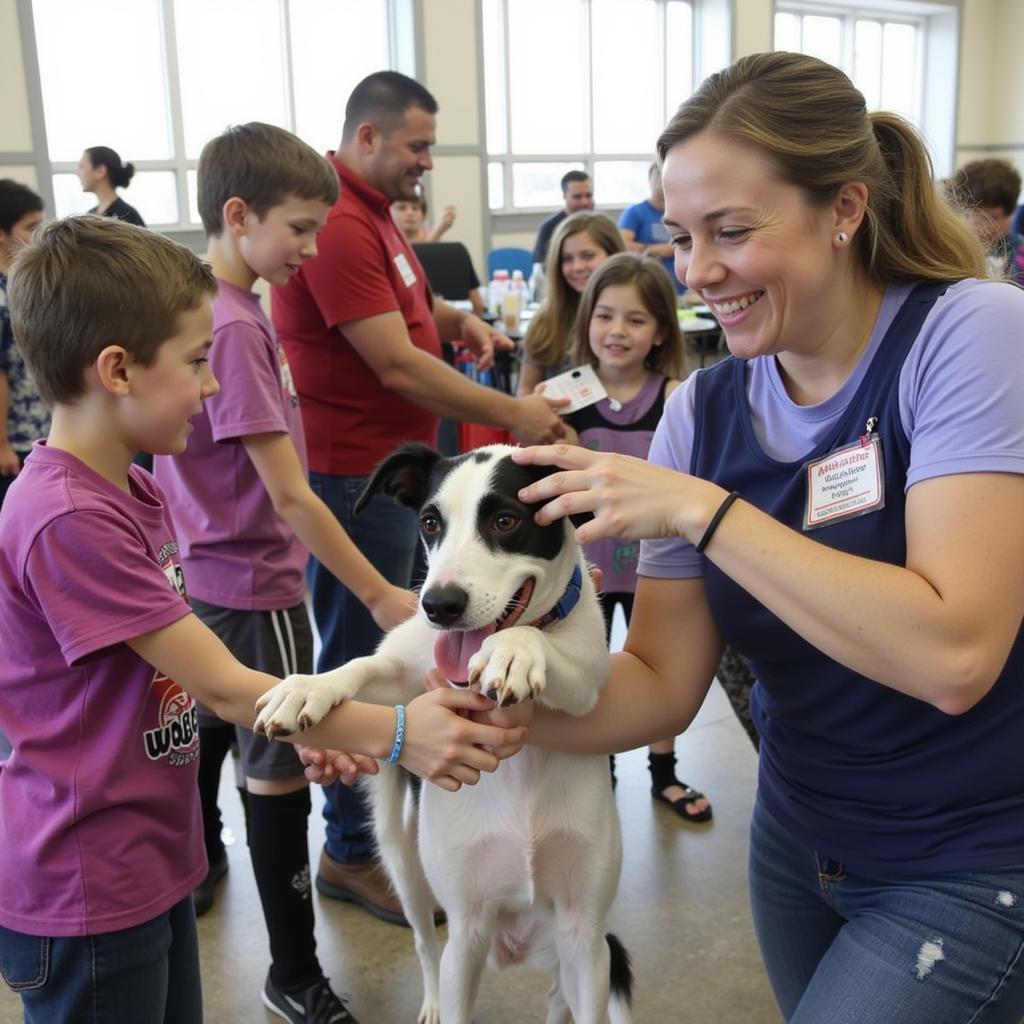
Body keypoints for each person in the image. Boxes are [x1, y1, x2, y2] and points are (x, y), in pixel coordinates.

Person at [510, 52, 1024, 1023]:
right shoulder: (702, 413)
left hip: (972, 853)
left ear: (842, 209)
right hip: (798, 842)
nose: (696, 271)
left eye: (731, 232)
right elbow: (659, 683)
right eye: (680, 235)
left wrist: (703, 512)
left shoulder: (973, 335)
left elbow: (954, 652)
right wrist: (482, 712)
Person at [0, 214, 526, 1024]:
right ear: (117, 370)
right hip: (86, 878)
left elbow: (185, 672)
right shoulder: (66, 517)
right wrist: (393, 734)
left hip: (145, 851)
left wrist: (313, 723)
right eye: (197, 363)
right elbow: (226, 685)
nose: (213, 388)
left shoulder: (131, 491)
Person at [271, 70, 565, 927]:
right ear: (368, 138)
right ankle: (354, 852)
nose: (427, 163)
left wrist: (453, 315)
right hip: (353, 475)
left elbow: (402, 305)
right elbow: (393, 362)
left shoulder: (372, 217)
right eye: (419, 146)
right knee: (374, 657)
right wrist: (515, 412)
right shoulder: (336, 223)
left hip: (399, 473)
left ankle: (401, 825)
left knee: (428, 637)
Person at [151, 122, 418, 1021]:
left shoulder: (211, 311)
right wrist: (381, 592)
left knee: (214, 740)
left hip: (212, 578)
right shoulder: (230, 327)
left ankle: (204, 864)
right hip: (254, 589)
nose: (311, 248)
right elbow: (294, 499)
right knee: (276, 784)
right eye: (300, 228)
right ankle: (294, 975)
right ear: (238, 214)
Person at [559, 251, 710, 820]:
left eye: (636, 319)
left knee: (653, 668)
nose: (617, 331)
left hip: (654, 568)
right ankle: (597, 771)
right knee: (585, 672)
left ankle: (664, 774)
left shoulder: (677, 397)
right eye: (604, 316)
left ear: (660, 332)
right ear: (586, 322)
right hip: (582, 570)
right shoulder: (565, 396)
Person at [516, 211, 624, 397]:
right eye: (567, 259)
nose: (577, 267)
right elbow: (526, 389)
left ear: (613, 256)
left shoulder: (633, 316)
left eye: (588, 256)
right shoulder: (545, 321)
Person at [0, 179, 47, 508]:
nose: (38, 235)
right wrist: (1, 443)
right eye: (30, 227)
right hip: (16, 438)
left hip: (42, 429)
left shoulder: (22, 286)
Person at [947, 158, 1024, 283]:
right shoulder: (951, 252)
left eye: (994, 218)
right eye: (979, 217)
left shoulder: (1019, 254)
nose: (987, 227)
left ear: (1010, 214)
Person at [619, 162, 686, 294]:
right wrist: (667, 249)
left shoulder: (683, 211)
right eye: (658, 176)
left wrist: (647, 249)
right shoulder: (635, 212)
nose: (662, 181)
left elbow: (693, 243)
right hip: (648, 285)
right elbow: (623, 245)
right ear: (650, 180)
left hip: (684, 288)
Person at [531, 169, 595, 266]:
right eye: (577, 197)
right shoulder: (549, 228)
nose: (585, 202)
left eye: (588, 196)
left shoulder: (600, 225)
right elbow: (541, 266)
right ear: (565, 196)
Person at [77, 146, 145, 226]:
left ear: (100, 171)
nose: (77, 173)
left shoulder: (127, 216)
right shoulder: (90, 215)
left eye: (82, 166)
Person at [391, 193, 455, 242]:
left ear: (424, 216)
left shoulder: (432, 238)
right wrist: (438, 231)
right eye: (402, 208)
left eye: (415, 208)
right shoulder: (385, 241)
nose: (410, 213)